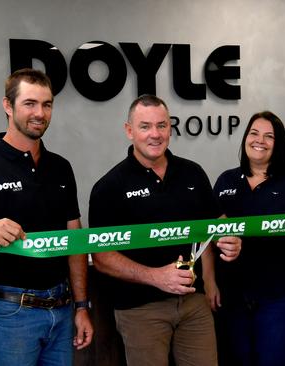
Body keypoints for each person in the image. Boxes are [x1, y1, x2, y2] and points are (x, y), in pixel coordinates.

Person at [0, 68, 93, 365]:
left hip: (63, 308)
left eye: (47, 104)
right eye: (29, 103)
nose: (39, 113)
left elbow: (75, 241)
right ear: (8, 106)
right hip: (10, 312)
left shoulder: (61, 168)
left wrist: (81, 306)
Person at [89, 94, 241, 366]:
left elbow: (217, 224)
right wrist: (156, 277)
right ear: (129, 131)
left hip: (193, 302)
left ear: (170, 128)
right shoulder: (109, 187)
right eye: (145, 126)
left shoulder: (192, 173)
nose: (155, 134)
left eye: (162, 125)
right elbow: (102, 257)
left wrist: (229, 240)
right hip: (140, 309)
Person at [212, 111, 285, 366]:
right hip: (234, 296)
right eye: (254, 133)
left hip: (283, 296)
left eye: (269, 136)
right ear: (245, 138)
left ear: (278, 144)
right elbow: (213, 234)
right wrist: (212, 277)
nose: (260, 141)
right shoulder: (226, 180)